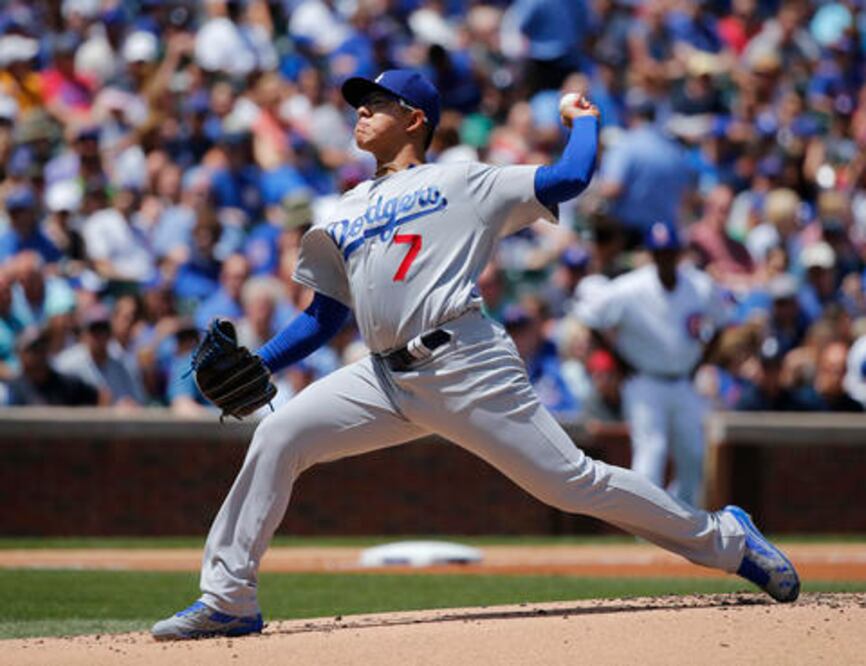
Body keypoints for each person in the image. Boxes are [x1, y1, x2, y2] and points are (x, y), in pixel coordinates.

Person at [151, 69, 799, 641]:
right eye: (360, 102)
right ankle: (229, 598)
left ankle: (728, 539)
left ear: (415, 118)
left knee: (572, 484)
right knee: (280, 433)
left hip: (464, 362)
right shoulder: (342, 209)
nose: (361, 111)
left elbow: (571, 177)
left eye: (377, 101)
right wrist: (264, 363)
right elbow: (325, 316)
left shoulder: (464, 180)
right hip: (381, 376)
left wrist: (584, 122)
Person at [576, 221, 727, 508]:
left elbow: (720, 323)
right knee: (651, 453)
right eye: (658, 252)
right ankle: (644, 529)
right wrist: (619, 360)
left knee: (694, 456)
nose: (664, 258)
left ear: (679, 252)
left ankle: (681, 522)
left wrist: (700, 362)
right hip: (644, 381)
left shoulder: (698, 284)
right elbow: (590, 318)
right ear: (650, 254)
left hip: (684, 380)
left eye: (669, 251)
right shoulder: (631, 287)